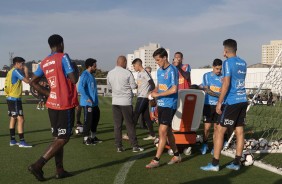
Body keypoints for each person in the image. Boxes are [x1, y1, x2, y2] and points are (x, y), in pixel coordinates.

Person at [28, 34, 79, 181]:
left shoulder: (44, 62)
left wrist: (48, 94)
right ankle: (38, 165)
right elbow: (74, 79)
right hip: (64, 103)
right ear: (61, 43)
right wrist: (75, 68)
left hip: (52, 104)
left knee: (57, 138)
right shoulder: (63, 57)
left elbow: (33, 81)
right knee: (64, 138)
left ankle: (60, 170)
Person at [201, 39, 248, 171]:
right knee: (239, 131)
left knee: (220, 131)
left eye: (224, 50)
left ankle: (215, 164)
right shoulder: (243, 63)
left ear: (226, 50)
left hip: (231, 101)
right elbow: (237, 80)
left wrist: (219, 102)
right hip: (242, 99)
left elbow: (227, 84)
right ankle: (237, 163)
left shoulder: (227, 62)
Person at [146, 48, 180, 169]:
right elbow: (159, 88)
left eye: (158, 60)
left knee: (162, 132)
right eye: (156, 60)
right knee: (168, 132)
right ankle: (176, 155)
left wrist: (158, 95)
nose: (157, 62)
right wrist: (152, 93)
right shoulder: (160, 71)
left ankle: (156, 160)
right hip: (161, 105)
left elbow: (174, 89)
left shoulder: (173, 70)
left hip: (170, 105)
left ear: (165, 57)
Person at [107, 56, 144, 152]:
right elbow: (133, 86)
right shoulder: (127, 73)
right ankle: (134, 146)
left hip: (115, 102)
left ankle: (119, 146)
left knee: (117, 125)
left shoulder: (110, 73)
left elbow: (109, 87)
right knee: (129, 124)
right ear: (124, 62)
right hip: (126, 102)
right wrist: (136, 84)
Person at [4, 57, 32, 148]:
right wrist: (26, 71)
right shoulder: (16, 71)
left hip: (10, 98)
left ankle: (12, 140)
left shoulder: (10, 71)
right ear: (16, 63)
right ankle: (22, 141)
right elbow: (27, 81)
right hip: (15, 99)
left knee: (13, 118)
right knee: (21, 119)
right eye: (22, 64)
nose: (23, 66)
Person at [200, 59, 223, 155]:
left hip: (219, 105)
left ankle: (215, 147)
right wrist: (220, 96)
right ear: (213, 67)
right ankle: (204, 144)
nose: (219, 71)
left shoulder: (224, 77)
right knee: (207, 127)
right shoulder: (207, 76)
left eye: (220, 69)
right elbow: (207, 89)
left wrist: (221, 99)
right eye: (217, 68)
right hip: (208, 105)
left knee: (217, 128)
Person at [78, 58, 101, 145]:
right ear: (90, 66)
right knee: (88, 121)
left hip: (94, 104)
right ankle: (85, 139)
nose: (96, 67)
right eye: (95, 66)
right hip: (87, 104)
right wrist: (87, 97)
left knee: (95, 119)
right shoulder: (85, 74)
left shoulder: (91, 75)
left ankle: (93, 137)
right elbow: (80, 88)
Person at [132, 58, 156, 140]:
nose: (134, 67)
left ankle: (129, 134)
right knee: (147, 117)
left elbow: (152, 84)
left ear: (138, 65)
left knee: (136, 114)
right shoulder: (139, 73)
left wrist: (149, 93)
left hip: (143, 97)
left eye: (134, 66)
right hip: (140, 96)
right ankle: (153, 135)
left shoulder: (146, 73)